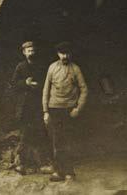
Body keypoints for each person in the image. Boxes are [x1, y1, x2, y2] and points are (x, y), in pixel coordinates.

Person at [42, 41, 87, 182]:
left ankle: (69, 172)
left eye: (67, 53)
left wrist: (78, 108)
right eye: (62, 53)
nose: (64, 56)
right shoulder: (52, 68)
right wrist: (45, 111)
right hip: (54, 109)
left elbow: (84, 89)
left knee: (68, 141)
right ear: (58, 54)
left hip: (69, 110)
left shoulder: (75, 69)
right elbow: (46, 90)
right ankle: (58, 171)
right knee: (56, 141)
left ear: (70, 54)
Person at [8, 41, 53, 175]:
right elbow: (13, 85)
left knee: (40, 134)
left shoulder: (41, 66)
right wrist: (25, 83)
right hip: (25, 108)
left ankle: (43, 164)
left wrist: (37, 86)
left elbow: (46, 83)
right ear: (24, 53)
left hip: (38, 106)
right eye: (28, 51)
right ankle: (22, 164)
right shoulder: (20, 67)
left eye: (33, 50)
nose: (31, 53)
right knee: (25, 136)